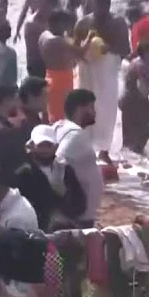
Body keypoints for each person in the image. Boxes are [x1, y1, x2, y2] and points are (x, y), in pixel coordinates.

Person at [73, 0, 129, 161]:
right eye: (97, 7)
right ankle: (84, 146)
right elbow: (75, 50)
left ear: (109, 5)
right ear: (92, 6)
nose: (100, 11)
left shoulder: (118, 23)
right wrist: (87, 48)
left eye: (104, 7)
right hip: (87, 70)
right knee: (84, 105)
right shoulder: (83, 23)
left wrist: (108, 49)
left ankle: (104, 150)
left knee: (107, 109)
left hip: (107, 70)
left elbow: (125, 50)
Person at [12, 124, 86, 231]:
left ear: (55, 147)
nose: (45, 150)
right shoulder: (24, 174)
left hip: (67, 229)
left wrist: (66, 195)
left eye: (48, 145)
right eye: (41, 145)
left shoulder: (66, 171)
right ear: (31, 146)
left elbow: (80, 204)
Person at [53, 88, 100, 227]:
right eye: (91, 107)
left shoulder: (60, 126)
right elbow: (58, 161)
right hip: (79, 216)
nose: (94, 112)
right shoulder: (76, 135)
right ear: (80, 109)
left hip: (76, 214)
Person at [39, 11, 81, 123]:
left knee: (51, 111)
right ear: (58, 24)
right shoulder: (58, 41)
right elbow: (81, 52)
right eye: (65, 24)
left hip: (49, 75)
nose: (67, 27)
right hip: (61, 80)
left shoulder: (44, 35)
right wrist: (90, 37)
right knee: (61, 116)